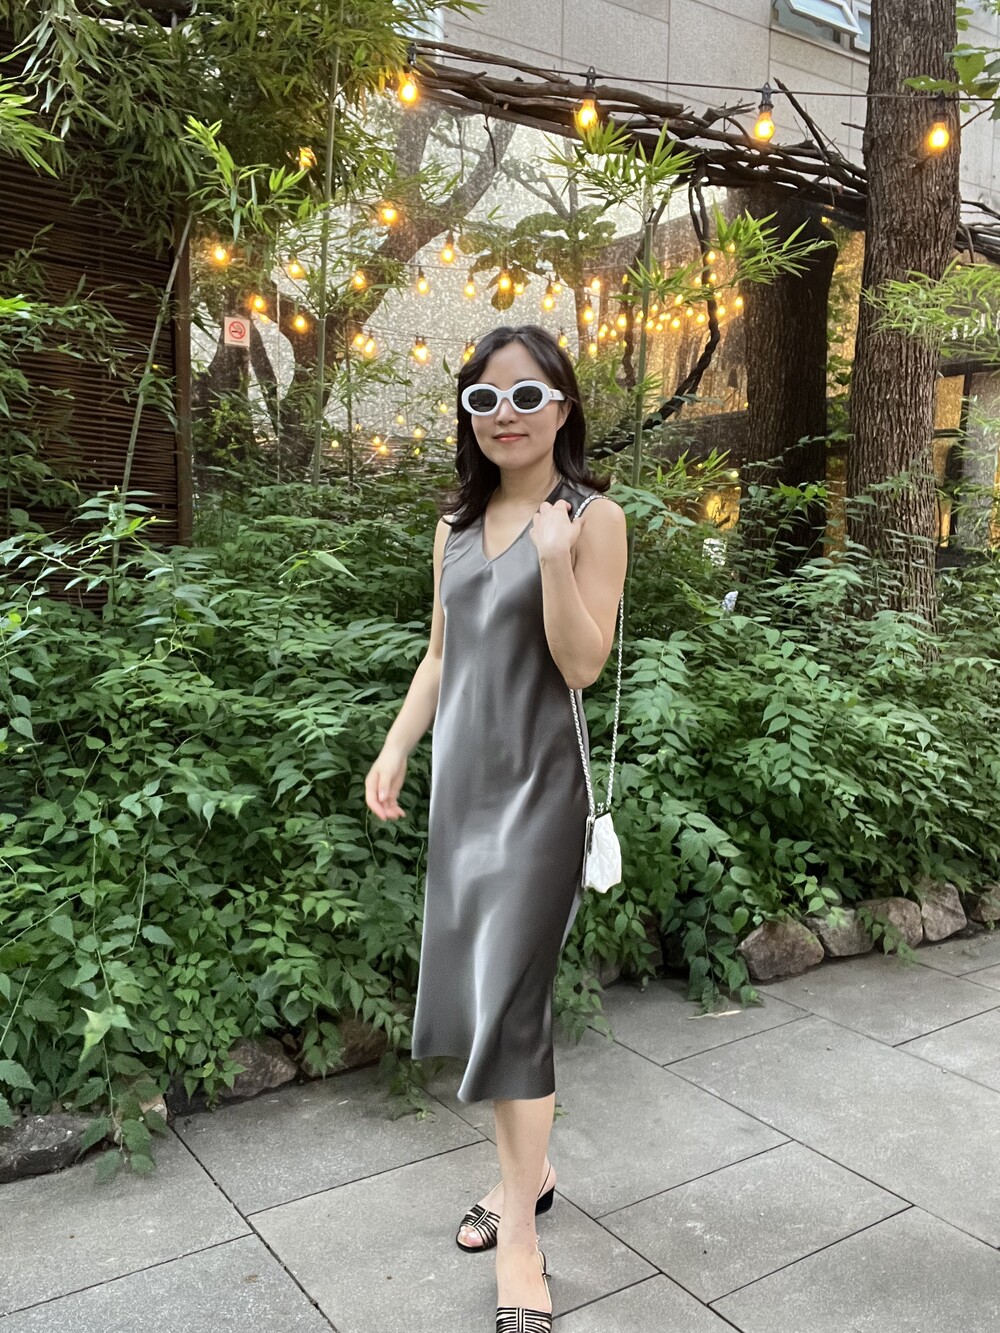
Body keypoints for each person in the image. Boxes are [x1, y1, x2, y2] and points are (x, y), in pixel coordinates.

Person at [365, 324, 628, 1331]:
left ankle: (521, 1236)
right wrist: (397, 745)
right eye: (484, 399)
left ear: (563, 406)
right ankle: (533, 1173)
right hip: (462, 793)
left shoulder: (593, 519)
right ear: (467, 415)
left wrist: (556, 563)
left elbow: (581, 665)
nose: (505, 415)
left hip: (539, 796)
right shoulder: (456, 527)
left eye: (526, 396)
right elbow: (441, 654)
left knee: (515, 1007)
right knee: (489, 1005)